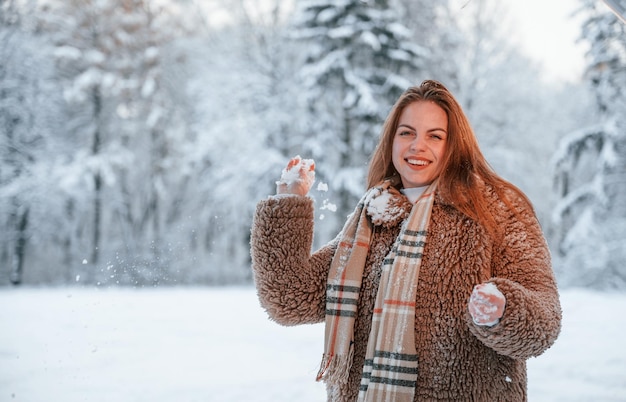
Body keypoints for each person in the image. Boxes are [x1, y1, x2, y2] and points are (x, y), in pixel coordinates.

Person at [250, 79, 561, 401]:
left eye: (435, 136)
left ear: (455, 144)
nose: (417, 146)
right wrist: (288, 203)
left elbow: (544, 323)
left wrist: (503, 311)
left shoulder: (496, 208)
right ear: (392, 140)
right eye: (407, 132)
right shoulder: (373, 217)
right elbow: (288, 299)